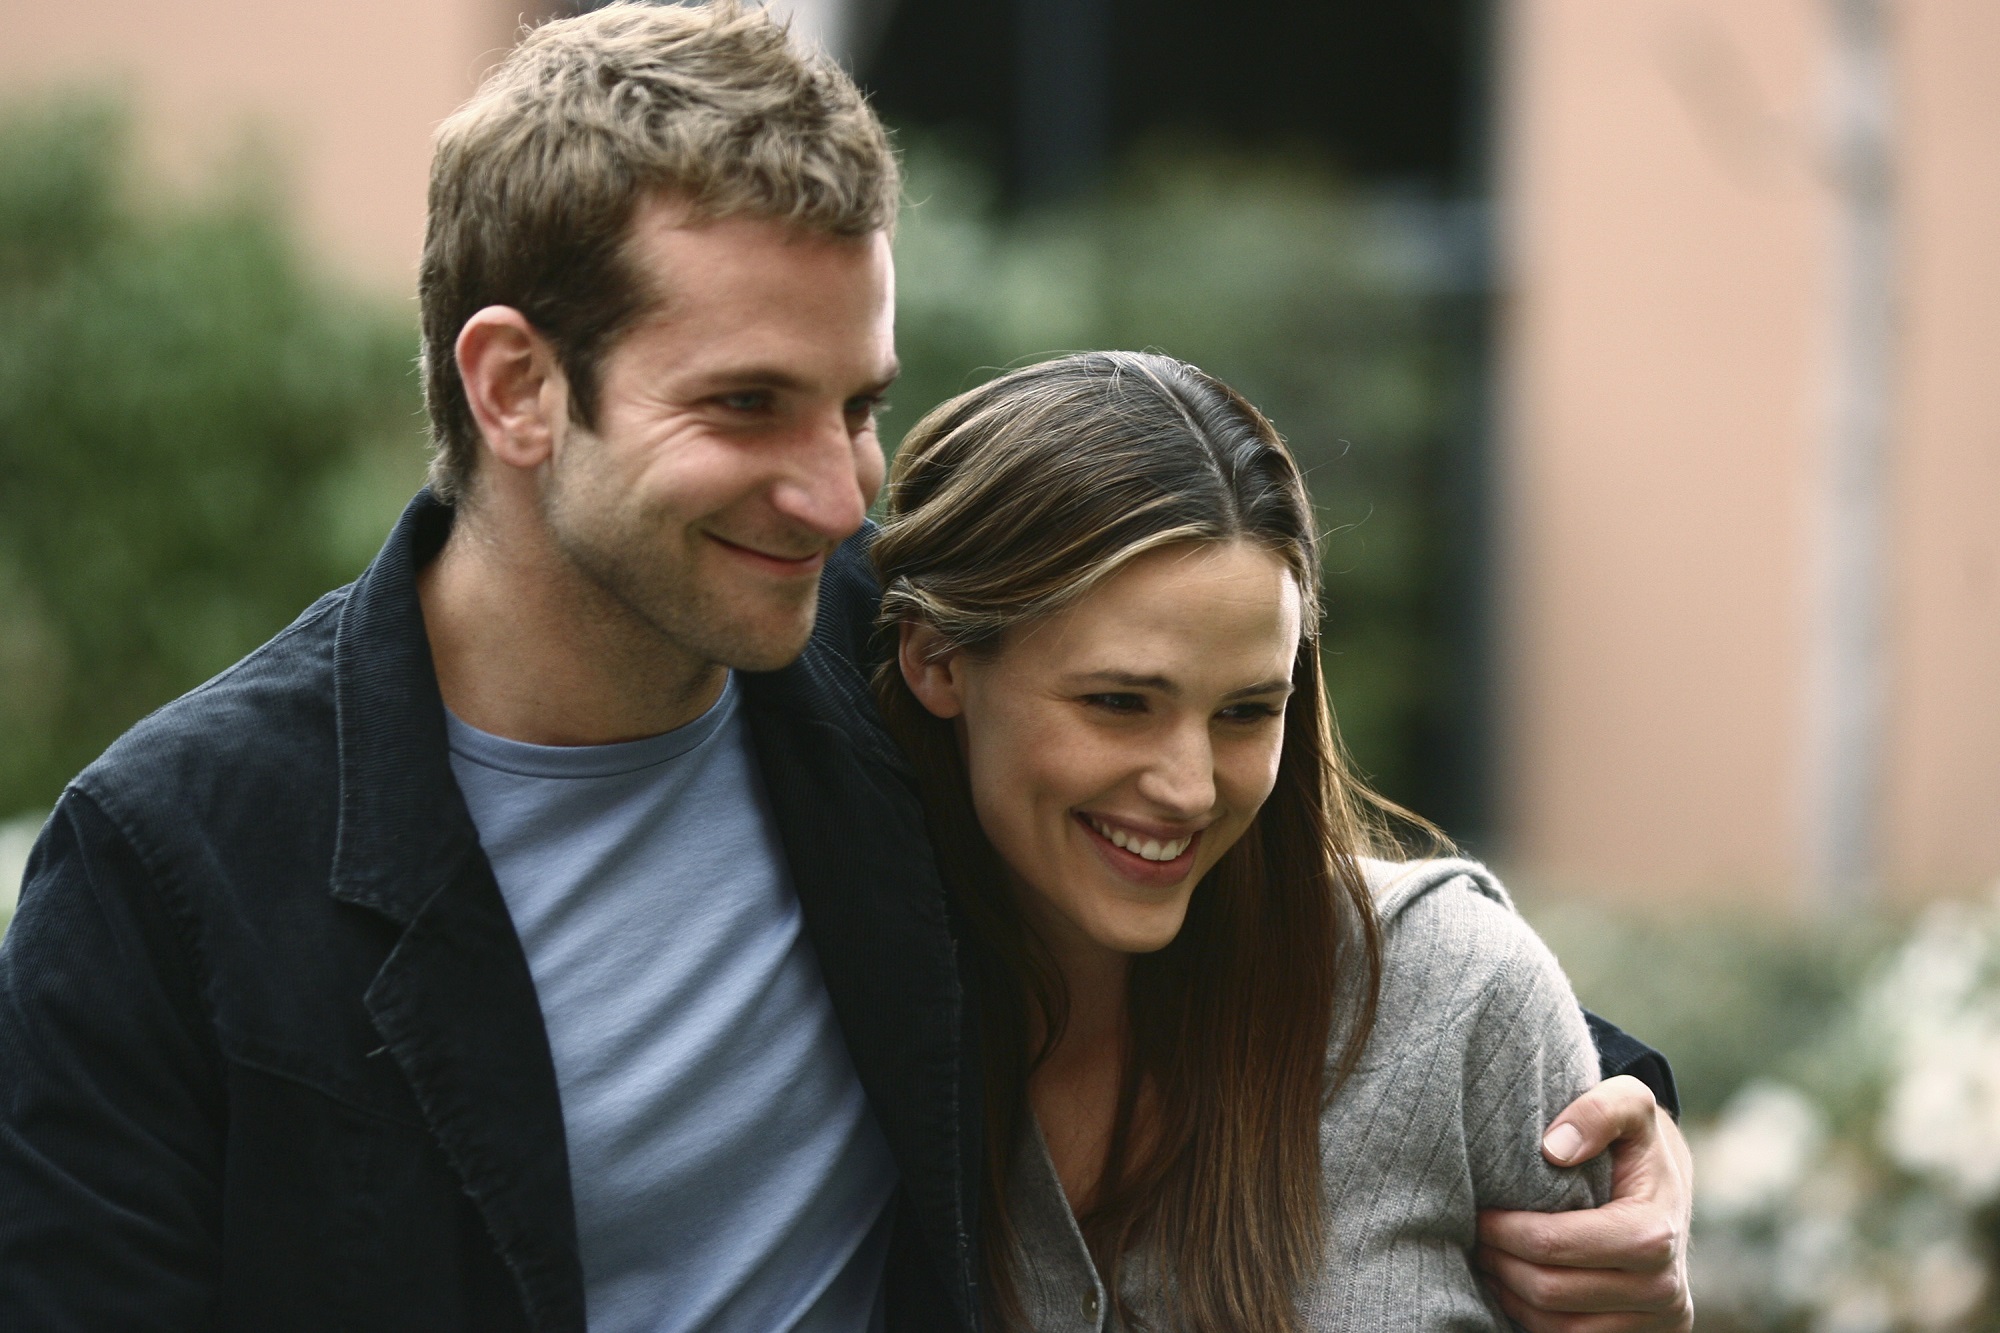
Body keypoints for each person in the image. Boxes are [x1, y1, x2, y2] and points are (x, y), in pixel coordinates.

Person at [0, 4, 1689, 1331]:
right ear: (516, 387)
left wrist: (1608, 1114)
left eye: (861, 402)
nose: (839, 491)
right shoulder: (168, 867)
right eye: (747, 405)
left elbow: (1233, 876)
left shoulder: (887, 670)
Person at [865, 350, 1670, 1330]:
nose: (1189, 786)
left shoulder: (1455, 993)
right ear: (935, 660)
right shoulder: (831, 997)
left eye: (1246, 712)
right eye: (1119, 702)